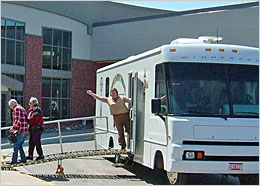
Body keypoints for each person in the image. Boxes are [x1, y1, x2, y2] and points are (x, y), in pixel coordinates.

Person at [7, 99, 29, 164]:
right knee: (19, 145)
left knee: (16, 145)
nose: (10, 107)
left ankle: (14, 161)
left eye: (10, 106)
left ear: (12, 104)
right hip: (24, 130)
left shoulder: (17, 109)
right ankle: (23, 159)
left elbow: (17, 120)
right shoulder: (21, 108)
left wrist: (13, 129)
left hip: (21, 130)